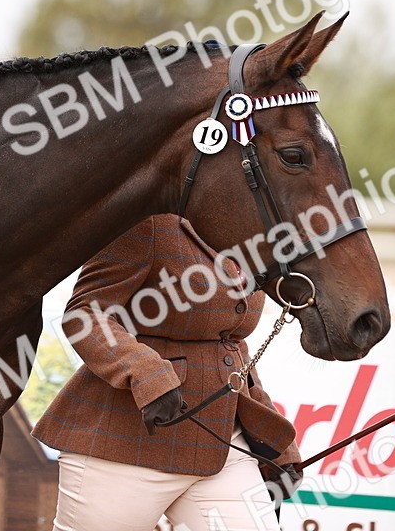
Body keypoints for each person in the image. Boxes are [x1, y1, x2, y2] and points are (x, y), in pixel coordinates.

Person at [32, 214, 302, 531]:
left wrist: (278, 446)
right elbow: (85, 315)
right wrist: (146, 372)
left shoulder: (246, 228)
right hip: (124, 442)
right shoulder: (147, 222)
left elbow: (230, 344)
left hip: (222, 447)